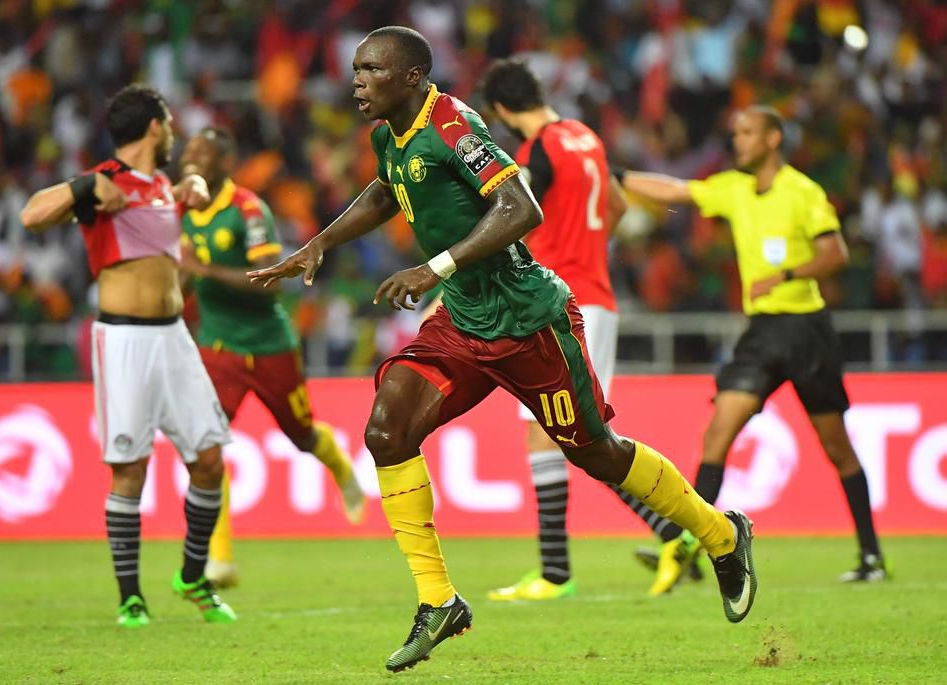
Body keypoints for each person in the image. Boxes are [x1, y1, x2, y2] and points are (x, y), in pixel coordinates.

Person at [249, 27, 757, 673]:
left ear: (411, 78)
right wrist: (321, 241)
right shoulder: (389, 135)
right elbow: (387, 189)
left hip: (528, 319)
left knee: (594, 452)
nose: (357, 81)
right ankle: (439, 601)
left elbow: (522, 208)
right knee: (387, 427)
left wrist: (434, 267)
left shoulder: (455, 125)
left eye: (371, 69)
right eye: (355, 68)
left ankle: (719, 533)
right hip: (464, 322)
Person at [620, 105, 889, 593]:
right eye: (735, 133)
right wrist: (616, 173)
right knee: (718, 433)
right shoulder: (733, 188)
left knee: (837, 448)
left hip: (807, 329)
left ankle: (871, 554)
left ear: (772, 139)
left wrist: (784, 276)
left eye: (746, 133)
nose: (737, 141)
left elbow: (836, 254)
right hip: (761, 333)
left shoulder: (803, 192)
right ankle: (689, 547)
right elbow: (675, 189)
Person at [19, 85, 237, 627]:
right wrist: (81, 185)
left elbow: (197, 198)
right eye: (170, 125)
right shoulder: (102, 183)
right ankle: (130, 597)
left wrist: (191, 186)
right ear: (156, 127)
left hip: (173, 337)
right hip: (123, 340)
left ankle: (191, 577)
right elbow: (31, 215)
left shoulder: (161, 184)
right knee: (129, 471)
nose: (175, 135)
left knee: (210, 460)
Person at [478, 59, 694, 602]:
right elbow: (617, 204)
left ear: (502, 110)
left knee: (581, 436)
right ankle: (560, 570)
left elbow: (512, 221)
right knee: (556, 430)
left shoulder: (534, 152)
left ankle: (673, 534)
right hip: (593, 295)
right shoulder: (584, 136)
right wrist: (588, 250)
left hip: (559, 303)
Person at [177, 127, 366, 587]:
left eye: (203, 155)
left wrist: (202, 271)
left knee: (301, 435)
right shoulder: (181, 210)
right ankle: (219, 559)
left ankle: (342, 470)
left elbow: (270, 277)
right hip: (219, 343)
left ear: (225, 163)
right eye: (189, 154)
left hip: (268, 343)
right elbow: (181, 277)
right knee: (207, 443)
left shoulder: (247, 210)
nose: (192, 162)